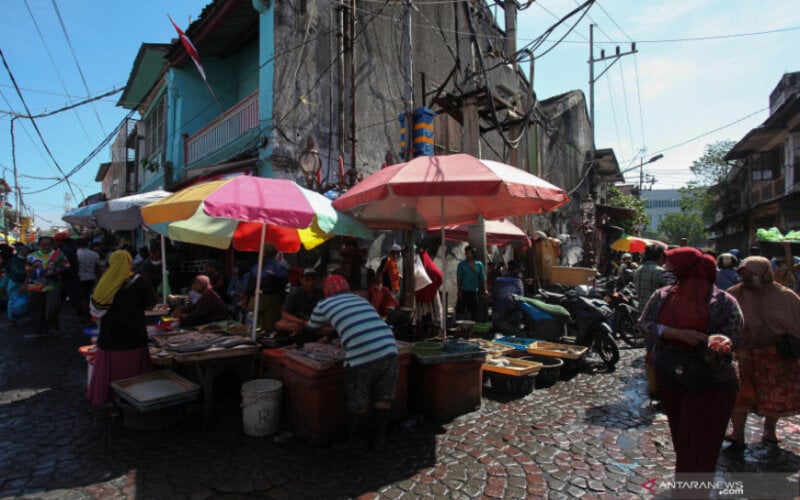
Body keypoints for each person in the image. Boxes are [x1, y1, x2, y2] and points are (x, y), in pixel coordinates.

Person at [638, 247, 742, 479]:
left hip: (713, 381)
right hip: (673, 376)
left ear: (684, 270)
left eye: (671, 267)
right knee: (682, 439)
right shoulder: (662, 296)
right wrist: (675, 333)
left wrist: (720, 341)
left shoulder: (724, 301)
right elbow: (645, 323)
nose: (666, 270)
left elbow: (734, 334)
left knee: (706, 442)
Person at [305, 275, 398, 450]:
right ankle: (379, 438)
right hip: (388, 347)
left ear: (326, 291)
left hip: (362, 355)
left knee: (358, 400)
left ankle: (356, 441)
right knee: (383, 396)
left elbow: (311, 329)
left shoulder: (323, 305)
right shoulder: (359, 299)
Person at [725, 256, 800, 449]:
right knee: (740, 396)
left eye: (752, 273)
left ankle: (770, 430)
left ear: (765, 273)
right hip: (743, 353)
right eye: (743, 273)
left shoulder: (785, 296)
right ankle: (738, 433)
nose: (747, 277)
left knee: (775, 396)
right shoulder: (734, 294)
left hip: (775, 355)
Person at [87, 250, 158, 406]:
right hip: (133, 334)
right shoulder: (139, 282)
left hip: (109, 336)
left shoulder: (105, 281)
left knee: (111, 369)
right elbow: (151, 304)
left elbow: (96, 307)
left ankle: (109, 397)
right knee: (133, 370)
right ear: (129, 262)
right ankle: (135, 398)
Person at [633, 244, 667, 401]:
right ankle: (658, 385)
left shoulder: (638, 270)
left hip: (642, 314)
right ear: (659, 256)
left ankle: (653, 385)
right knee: (659, 350)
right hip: (659, 316)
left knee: (649, 349)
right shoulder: (659, 272)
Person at [22, 236, 71, 338]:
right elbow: (28, 271)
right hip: (34, 287)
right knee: (36, 310)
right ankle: (41, 330)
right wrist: (24, 284)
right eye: (44, 245)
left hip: (52, 286)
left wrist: (55, 273)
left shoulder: (58, 255)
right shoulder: (32, 256)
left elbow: (66, 266)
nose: (46, 247)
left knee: (52, 309)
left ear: (52, 245)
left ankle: (54, 328)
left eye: (49, 244)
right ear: (39, 245)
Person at [243, 243, 288, 334]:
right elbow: (282, 287)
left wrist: (245, 301)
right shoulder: (280, 268)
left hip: (260, 300)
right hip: (271, 301)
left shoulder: (257, 267)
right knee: (268, 328)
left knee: (253, 327)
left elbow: (249, 287)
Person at [274, 268, 325, 339]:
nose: (311, 283)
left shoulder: (321, 293)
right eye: (307, 280)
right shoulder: (295, 293)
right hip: (300, 324)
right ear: (301, 280)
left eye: (313, 280)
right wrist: (302, 322)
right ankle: (304, 332)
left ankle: (303, 333)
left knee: (331, 327)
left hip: (315, 324)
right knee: (280, 325)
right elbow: (285, 314)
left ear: (317, 280)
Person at [0, 243, 31, 324]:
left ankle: (18, 317)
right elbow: (8, 274)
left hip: (27, 284)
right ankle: (12, 318)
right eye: (23, 251)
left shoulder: (31, 260)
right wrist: (2, 286)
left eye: (26, 251)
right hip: (14, 284)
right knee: (13, 301)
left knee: (25, 301)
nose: (24, 253)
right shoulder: (13, 261)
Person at [456, 246, 488, 321]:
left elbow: (483, 277)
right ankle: (459, 325)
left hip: (474, 290)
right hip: (464, 290)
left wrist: (485, 289)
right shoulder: (461, 264)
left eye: (469, 253)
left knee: (474, 309)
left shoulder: (479, 264)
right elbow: (459, 278)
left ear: (473, 254)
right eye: (466, 253)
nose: (468, 255)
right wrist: (459, 290)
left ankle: (472, 325)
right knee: (461, 309)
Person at [414, 246, 443, 330]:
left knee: (421, 311)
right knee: (434, 311)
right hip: (432, 293)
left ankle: (420, 325)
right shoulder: (431, 266)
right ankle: (435, 326)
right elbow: (440, 276)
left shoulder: (418, 266)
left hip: (421, 293)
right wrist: (435, 286)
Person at [75, 238, 100, 325]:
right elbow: (97, 268)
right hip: (92, 278)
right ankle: (92, 316)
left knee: (83, 298)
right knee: (91, 298)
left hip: (81, 278)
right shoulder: (94, 254)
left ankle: (87, 317)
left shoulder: (76, 254)